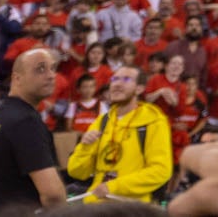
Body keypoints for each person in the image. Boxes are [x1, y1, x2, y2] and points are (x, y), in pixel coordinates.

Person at [0, 48, 65, 211]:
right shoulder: (25, 121)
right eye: (40, 69)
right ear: (17, 78)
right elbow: (53, 195)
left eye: (53, 68)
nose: (51, 75)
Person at [67, 63, 175, 203]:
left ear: (139, 88)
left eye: (126, 80)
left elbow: (161, 171)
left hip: (130, 208)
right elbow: (76, 172)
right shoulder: (102, 121)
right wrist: (85, 147)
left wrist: (113, 187)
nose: (117, 84)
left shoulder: (154, 122)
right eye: (115, 79)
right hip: (96, 206)